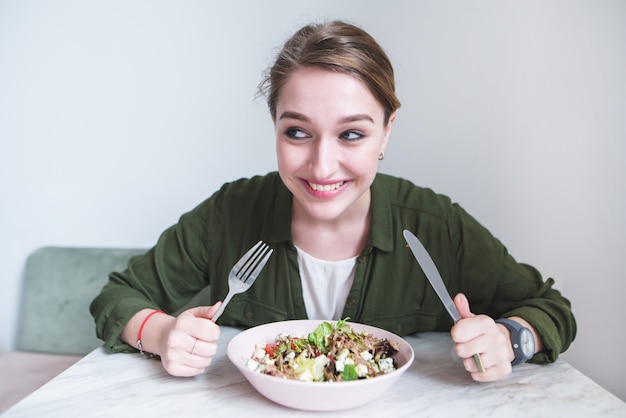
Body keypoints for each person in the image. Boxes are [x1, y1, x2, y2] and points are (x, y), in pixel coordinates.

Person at [90, 20, 576, 382]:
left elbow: (550, 307)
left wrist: (510, 340)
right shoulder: (229, 212)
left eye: (351, 134)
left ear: (386, 133)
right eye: (297, 132)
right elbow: (117, 297)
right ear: (275, 128)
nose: (322, 167)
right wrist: (160, 334)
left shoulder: (434, 226)